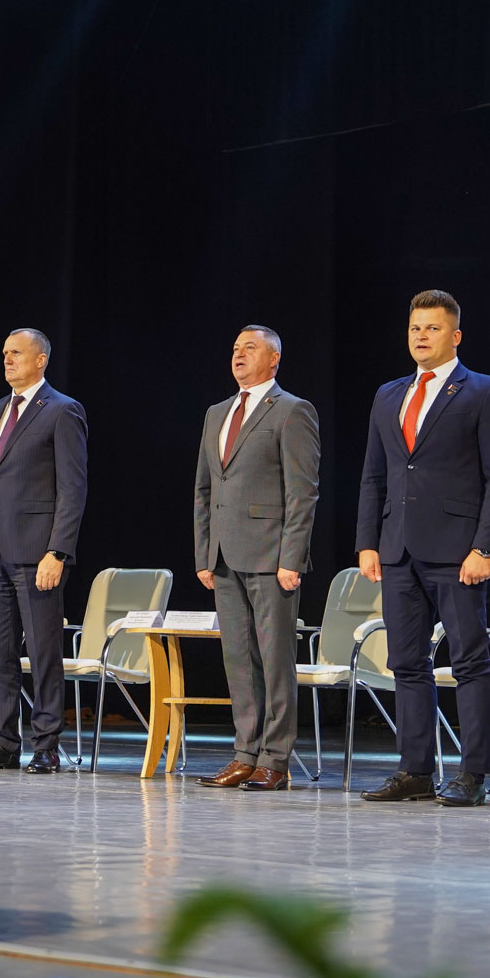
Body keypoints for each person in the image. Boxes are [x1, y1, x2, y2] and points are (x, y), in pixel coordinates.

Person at [355, 290, 490, 806]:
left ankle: (475, 773)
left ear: (455, 336)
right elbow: (374, 475)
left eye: (432, 327)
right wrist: (367, 543)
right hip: (397, 549)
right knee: (407, 663)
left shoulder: (485, 392)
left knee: (469, 662)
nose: (421, 336)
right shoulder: (388, 395)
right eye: (415, 328)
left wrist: (486, 548)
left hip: (458, 551)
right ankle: (416, 770)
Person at [0, 328, 88, 774]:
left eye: (16, 353)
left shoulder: (62, 410)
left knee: (44, 651)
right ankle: (3, 741)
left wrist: (58, 551)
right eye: (4, 353)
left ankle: (46, 743)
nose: (7, 359)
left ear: (41, 359)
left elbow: (73, 489)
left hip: (37, 554)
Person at [193, 326, 320, 793]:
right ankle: (245, 753)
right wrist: (204, 553)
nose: (239, 355)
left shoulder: (292, 410)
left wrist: (292, 557)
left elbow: (303, 492)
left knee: (274, 659)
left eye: (250, 348)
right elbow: (204, 489)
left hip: (271, 556)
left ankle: (275, 759)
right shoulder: (217, 413)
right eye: (235, 348)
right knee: (239, 661)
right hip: (224, 555)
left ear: (274, 359)